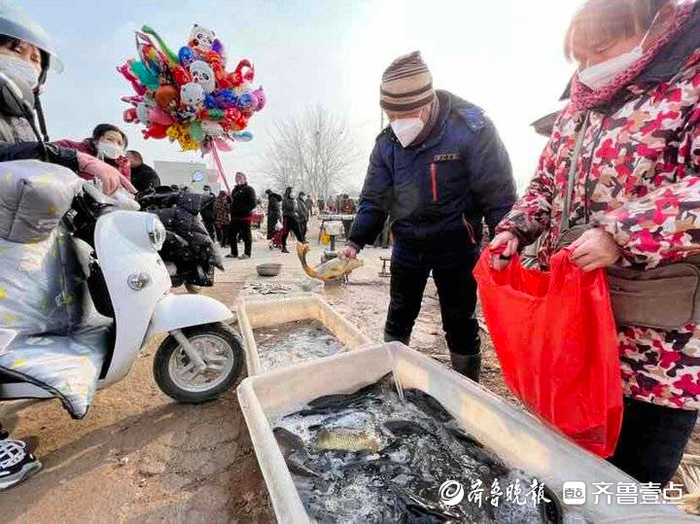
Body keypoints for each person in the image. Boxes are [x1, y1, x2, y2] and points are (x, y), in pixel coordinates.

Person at [491, 0, 700, 485]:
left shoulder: (689, 81)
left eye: (600, 50)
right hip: (574, 322)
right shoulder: (578, 107)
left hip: (654, 342)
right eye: (580, 58)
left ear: (652, 24)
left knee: (630, 481)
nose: (588, 67)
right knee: (563, 466)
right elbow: (546, 183)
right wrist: (513, 228)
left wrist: (621, 233)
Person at [0, 4, 137, 490]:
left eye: (34, 56)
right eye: (15, 49)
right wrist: (71, 159)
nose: (27, 61)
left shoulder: (19, 113)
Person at [340, 51, 516, 381]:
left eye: (405, 113)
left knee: (459, 319)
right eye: (391, 115)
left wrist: (506, 235)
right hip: (408, 243)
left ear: (427, 102)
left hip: (457, 243)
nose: (398, 123)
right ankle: (391, 380)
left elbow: (498, 191)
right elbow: (374, 198)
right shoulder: (387, 143)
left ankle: (467, 389)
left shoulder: (470, 129)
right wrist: (355, 241)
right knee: (399, 313)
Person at [54, 123, 131, 182]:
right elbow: (48, 150)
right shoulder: (70, 146)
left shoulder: (122, 164)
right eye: (110, 139)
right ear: (96, 140)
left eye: (120, 143)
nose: (115, 145)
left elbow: (126, 189)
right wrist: (74, 157)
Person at [228, 172, 256, 259]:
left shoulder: (249, 189)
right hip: (235, 217)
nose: (238, 179)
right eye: (236, 177)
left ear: (244, 179)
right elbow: (233, 202)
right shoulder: (234, 190)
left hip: (245, 217)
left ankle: (247, 253)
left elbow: (253, 203)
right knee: (231, 234)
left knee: (246, 235)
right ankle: (234, 253)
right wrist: (229, 198)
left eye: (240, 177)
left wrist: (243, 210)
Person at [281, 186, 305, 252]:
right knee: (285, 233)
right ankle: (283, 247)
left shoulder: (294, 200)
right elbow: (289, 208)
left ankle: (302, 245)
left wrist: (297, 213)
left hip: (294, 218)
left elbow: (296, 209)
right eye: (291, 191)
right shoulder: (285, 199)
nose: (293, 193)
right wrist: (293, 203)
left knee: (298, 232)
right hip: (287, 218)